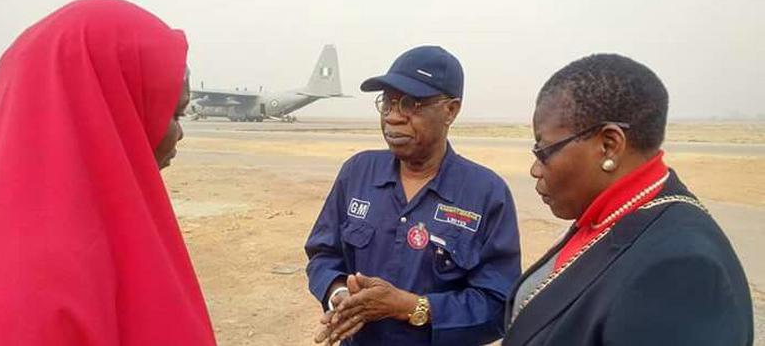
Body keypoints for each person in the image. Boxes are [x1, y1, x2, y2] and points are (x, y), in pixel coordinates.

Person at [0, 0, 217, 345]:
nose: (179, 132)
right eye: (174, 114)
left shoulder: (93, 231)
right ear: (110, 109)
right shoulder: (40, 290)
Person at [502, 54, 753, 345]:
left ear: (609, 146)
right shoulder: (608, 218)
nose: (535, 169)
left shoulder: (681, 270)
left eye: (543, 151)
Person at [305, 46, 521, 345]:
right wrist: (339, 294)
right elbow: (323, 255)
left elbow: (499, 306)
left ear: (451, 110)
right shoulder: (357, 173)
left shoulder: (486, 193)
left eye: (410, 104)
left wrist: (411, 307)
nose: (393, 117)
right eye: (387, 103)